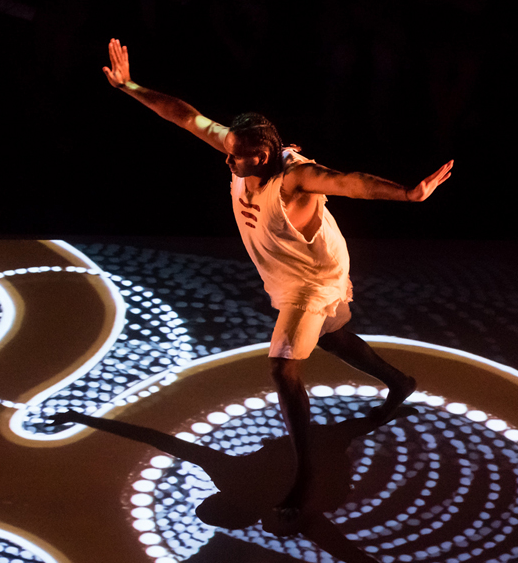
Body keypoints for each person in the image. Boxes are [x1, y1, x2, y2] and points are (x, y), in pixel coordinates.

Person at [103, 38, 453, 526]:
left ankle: (304, 473)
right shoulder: (238, 146)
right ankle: (399, 381)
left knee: (283, 369)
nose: (231, 163)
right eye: (231, 154)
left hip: (312, 277)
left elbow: (350, 181)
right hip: (284, 272)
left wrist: (409, 194)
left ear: (267, 154)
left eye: (242, 159)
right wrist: (130, 86)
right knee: (331, 338)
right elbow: (184, 116)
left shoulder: (295, 177)